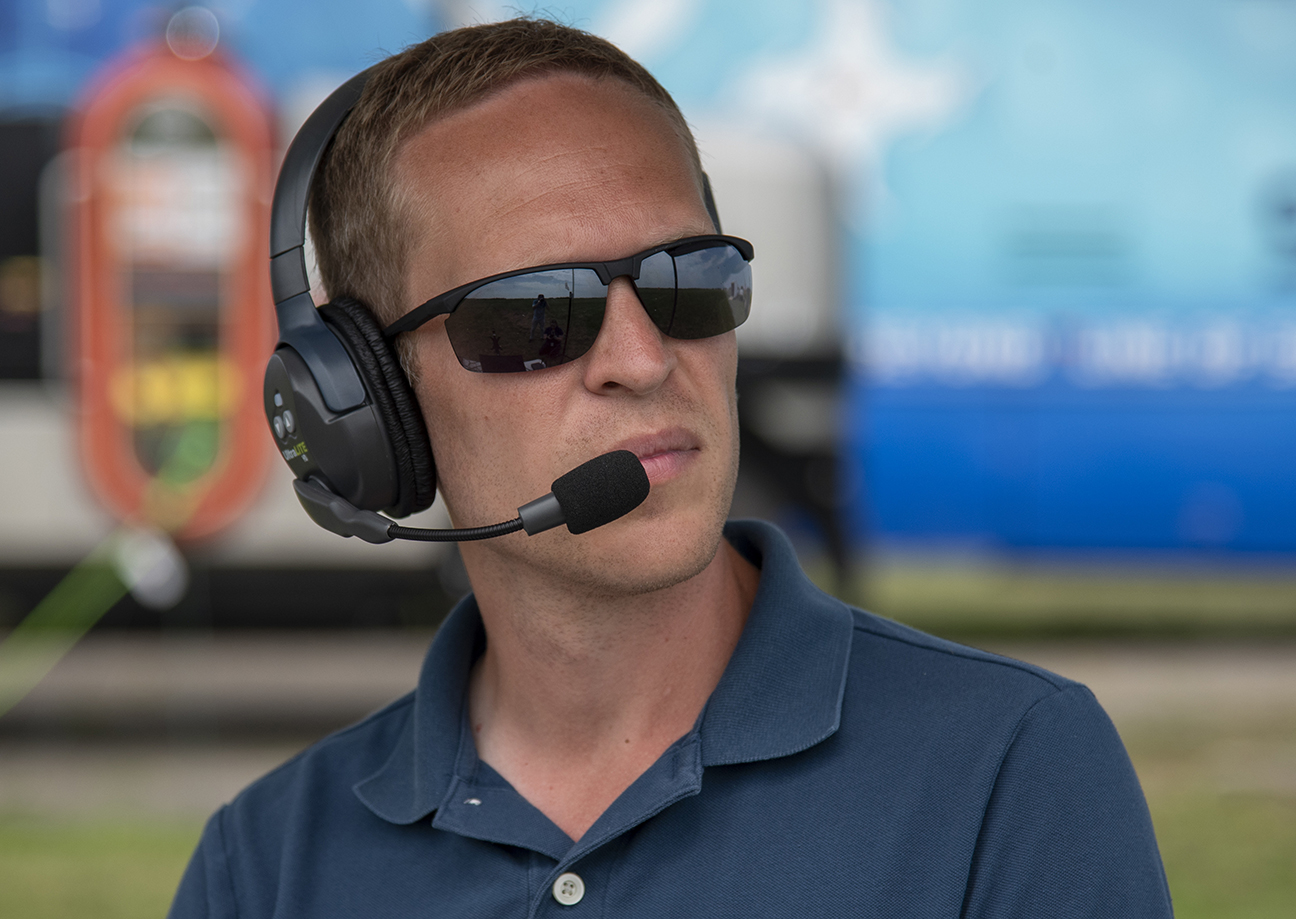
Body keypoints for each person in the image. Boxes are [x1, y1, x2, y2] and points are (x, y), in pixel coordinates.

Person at [169, 19, 1173, 918]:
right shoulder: (263, 868)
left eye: (687, 281)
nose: (645, 360)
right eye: (534, 315)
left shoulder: (1012, 770)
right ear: (367, 399)